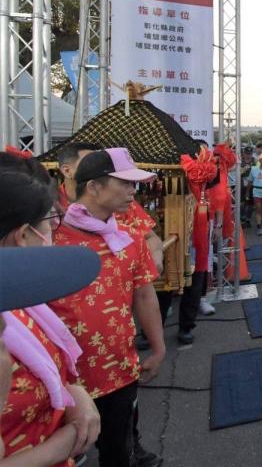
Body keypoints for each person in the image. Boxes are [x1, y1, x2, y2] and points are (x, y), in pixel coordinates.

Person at [51, 148, 165, 467]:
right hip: (64, 376)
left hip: (119, 370)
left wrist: (157, 347)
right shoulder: (50, 238)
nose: (133, 192)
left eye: (135, 185)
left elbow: (144, 295)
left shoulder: (129, 237)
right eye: (126, 184)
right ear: (94, 187)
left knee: (118, 453)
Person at [0, 170, 102, 467]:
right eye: (51, 222)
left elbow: (51, 371)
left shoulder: (23, 304)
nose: (55, 232)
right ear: (22, 235)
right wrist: (66, 443)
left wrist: (77, 395)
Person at [57, 142, 164, 272]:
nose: (132, 191)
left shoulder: (123, 207)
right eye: (88, 162)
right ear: (67, 171)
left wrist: (153, 260)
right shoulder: (51, 209)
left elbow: (150, 237)